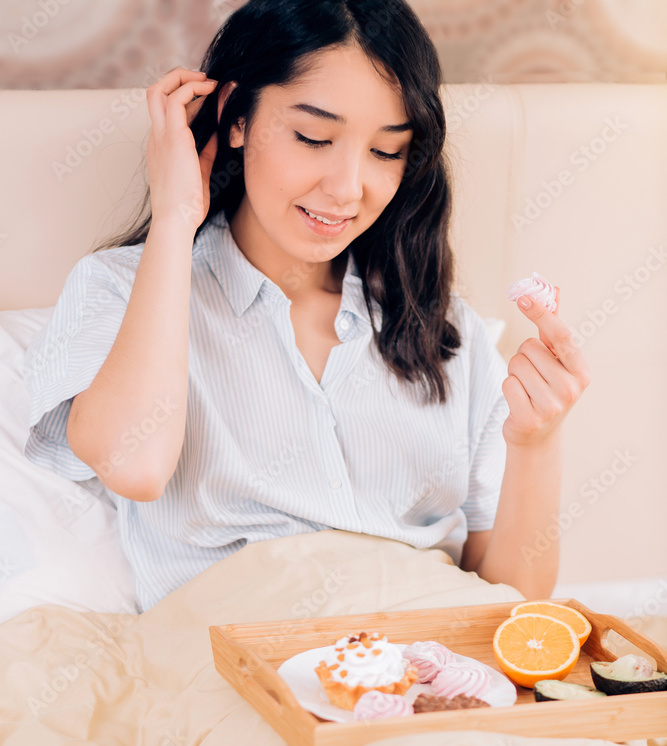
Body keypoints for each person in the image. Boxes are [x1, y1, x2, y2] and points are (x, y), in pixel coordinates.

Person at [22, 0, 590, 614]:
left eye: (386, 151)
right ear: (236, 118)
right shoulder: (119, 289)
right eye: (314, 137)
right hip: (233, 664)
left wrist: (537, 444)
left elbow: (516, 604)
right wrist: (175, 220)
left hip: (423, 662)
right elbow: (135, 465)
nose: (347, 188)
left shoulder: (444, 327)